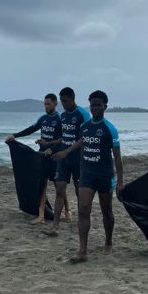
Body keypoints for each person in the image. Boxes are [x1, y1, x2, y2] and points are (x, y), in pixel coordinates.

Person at [53, 90, 123, 263]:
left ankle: (108, 240)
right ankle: (82, 251)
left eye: (98, 105)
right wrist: (66, 152)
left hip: (105, 176)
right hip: (87, 175)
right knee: (83, 209)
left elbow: (117, 158)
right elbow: (82, 141)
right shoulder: (85, 126)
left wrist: (120, 181)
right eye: (92, 105)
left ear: (105, 106)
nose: (95, 108)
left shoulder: (110, 129)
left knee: (107, 211)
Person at [5, 93, 63, 224]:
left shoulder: (59, 119)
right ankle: (41, 215)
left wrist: (52, 149)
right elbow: (31, 129)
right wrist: (15, 135)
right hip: (42, 157)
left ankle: (67, 211)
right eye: (45, 104)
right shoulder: (43, 118)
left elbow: (63, 140)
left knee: (59, 187)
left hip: (55, 157)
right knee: (41, 186)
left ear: (55, 103)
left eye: (48, 104)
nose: (46, 106)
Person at [43, 87, 90, 235]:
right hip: (63, 158)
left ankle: (82, 220)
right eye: (62, 101)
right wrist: (50, 145)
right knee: (59, 189)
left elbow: (85, 138)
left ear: (73, 98)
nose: (64, 104)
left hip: (79, 159)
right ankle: (55, 226)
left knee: (79, 191)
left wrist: (67, 151)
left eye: (66, 101)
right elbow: (65, 136)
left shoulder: (83, 114)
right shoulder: (63, 116)